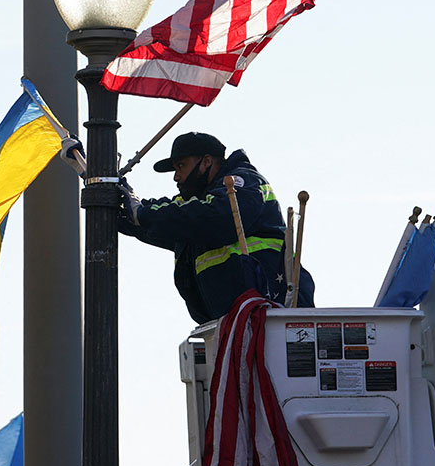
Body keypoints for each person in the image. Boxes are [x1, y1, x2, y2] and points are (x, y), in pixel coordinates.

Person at [118, 132, 314, 323]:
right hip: (232, 324)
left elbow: (217, 217)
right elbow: (168, 224)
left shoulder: (243, 182)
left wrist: (142, 213)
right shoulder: (198, 207)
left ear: (206, 162)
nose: (176, 177)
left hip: (272, 316)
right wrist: (122, 212)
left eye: (181, 166)